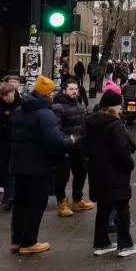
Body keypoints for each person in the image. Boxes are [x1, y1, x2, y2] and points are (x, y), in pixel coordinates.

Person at [9, 75, 73, 254]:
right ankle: (29, 242)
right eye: (52, 92)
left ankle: (16, 240)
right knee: (36, 203)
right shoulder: (45, 114)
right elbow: (55, 141)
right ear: (47, 94)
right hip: (38, 166)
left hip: (18, 164)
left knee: (20, 203)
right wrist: (70, 142)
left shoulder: (19, 110)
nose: (53, 95)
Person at [86, 90, 136, 257]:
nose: (121, 106)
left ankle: (101, 244)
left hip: (97, 172)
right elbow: (123, 151)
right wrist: (129, 165)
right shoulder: (116, 125)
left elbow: (85, 146)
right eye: (119, 104)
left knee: (103, 208)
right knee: (122, 208)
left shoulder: (90, 122)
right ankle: (125, 245)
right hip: (115, 174)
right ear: (113, 107)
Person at [52, 78, 94, 217]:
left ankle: (77, 200)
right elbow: (55, 129)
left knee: (81, 173)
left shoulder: (79, 105)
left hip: (80, 148)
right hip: (65, 148)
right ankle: (62, 203)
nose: (74, 91)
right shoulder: (58, 107)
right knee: (62, 177)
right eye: (71, 89)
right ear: (64, 91)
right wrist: (66, 140)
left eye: (76, 89)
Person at [0, 78, 21, 210]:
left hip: (18, 142)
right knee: (4, 169)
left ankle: (12, 195)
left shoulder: (21, 104)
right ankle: (9, 195)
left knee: (14, 169)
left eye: (8, 95)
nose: (6, 98)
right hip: (2, 143)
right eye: (3, 95)